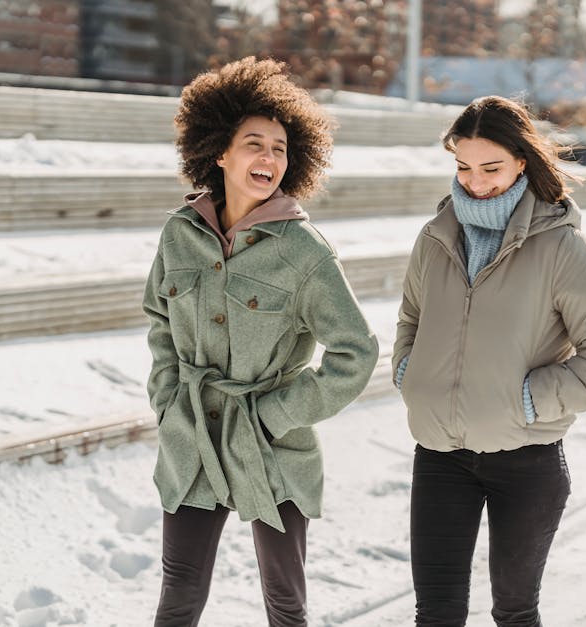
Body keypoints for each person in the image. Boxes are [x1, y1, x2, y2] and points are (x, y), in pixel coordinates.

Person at [143, 56, 379, 627]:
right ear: (219, 152)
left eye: (279, 148)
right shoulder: (180, 234)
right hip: (193, 435)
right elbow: (159, 319)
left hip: (271, 445)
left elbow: (356, 351)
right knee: (179, 593)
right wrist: (168, 395)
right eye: (255, 144)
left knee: (284, 603)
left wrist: (279, 413)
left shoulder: (305, 252)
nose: (269, 158)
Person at [392, 95, 586, 627]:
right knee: (435, 615)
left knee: (515, 612)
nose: (475, 182)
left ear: (522, 161)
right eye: (463, 166)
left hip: (526, 460)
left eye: (491, 168)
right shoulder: (435, 237)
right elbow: (411, 316)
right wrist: (410, 374)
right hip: (439, 457)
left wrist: (530, 400)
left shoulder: (560, 247)